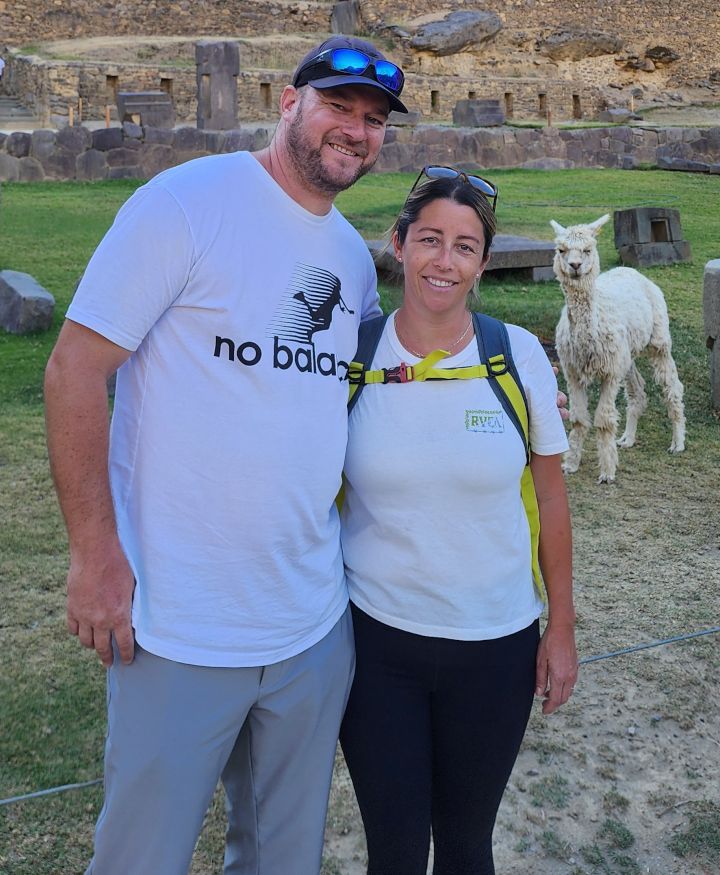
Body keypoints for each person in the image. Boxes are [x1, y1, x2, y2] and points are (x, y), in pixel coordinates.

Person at [44, 36, 408, 875]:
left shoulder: (349, 259)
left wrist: (506, 393)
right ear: (288, 103)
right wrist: (95, 554)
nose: (355, 131)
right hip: (179, 621)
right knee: (141, 857)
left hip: (309, 624)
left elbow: (353, 390)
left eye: (373, 120)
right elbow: (73, 371)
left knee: (282, 857)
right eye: (337, 107)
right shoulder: (188, 204)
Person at [338, 167, 578, 875]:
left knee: (468, 845)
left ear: (483, 262)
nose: (444, 261)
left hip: (495, 644)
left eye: (465, 246)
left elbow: (551, 497)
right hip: (377, 643)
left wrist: (562, 626)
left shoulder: (516, 355)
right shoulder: (351, 356)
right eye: (430, 239)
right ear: (398, 243)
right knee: (395, 852)